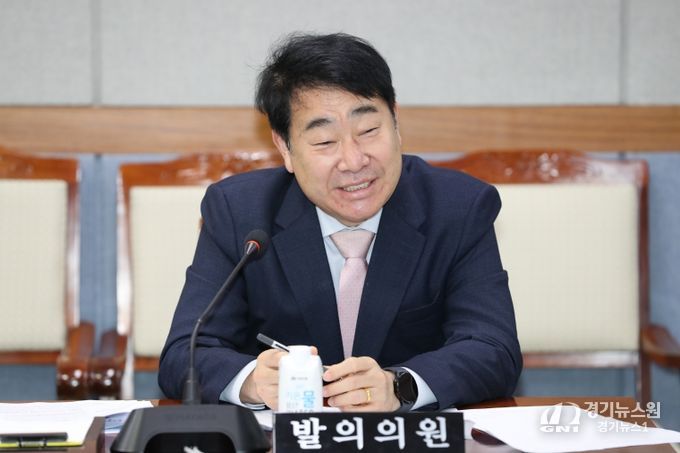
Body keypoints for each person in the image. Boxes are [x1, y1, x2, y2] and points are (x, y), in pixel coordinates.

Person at [158, 32, 522, 412]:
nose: (353, 161)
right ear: (285, 148)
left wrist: (399, 386)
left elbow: (493, 349)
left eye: (368, 131)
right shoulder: (239, 212)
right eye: (325, 142)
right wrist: (253, 381)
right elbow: (185, 353)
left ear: (396, 122)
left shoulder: (459, 208)